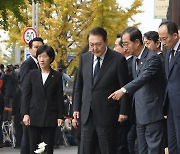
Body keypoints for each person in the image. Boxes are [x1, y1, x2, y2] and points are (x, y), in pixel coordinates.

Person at [109, 27, 166, 154]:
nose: (124, 48)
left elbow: (142, 79)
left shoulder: (153, 58)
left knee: (154, 149)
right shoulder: (135, 59)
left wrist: (123, 90)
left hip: (152, 113)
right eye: (123, 44)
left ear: (137, 42)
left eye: (126, 44)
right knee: (141, 150)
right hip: (139, 114)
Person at [73, 27, 129, 154]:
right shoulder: (85, 58)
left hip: (107, 114)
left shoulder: (118, 59)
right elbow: (79, 86)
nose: (94, 48)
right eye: (91, 45)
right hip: (87, 114)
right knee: (86, 150)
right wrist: (76, 108)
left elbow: (124, 87)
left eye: (98, 44)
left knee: (107, 149)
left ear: (106, 42)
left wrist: (123, 111)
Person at [21, 45, 64, 154]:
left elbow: (59, 97)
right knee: (34, 148)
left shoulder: (57, 76)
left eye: (44, 56)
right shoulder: (32, 74)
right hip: (34, 115)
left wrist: (60, 116)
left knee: (47, 148)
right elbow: (26, 95)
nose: (41, 59)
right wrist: (25, 113)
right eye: (39, 56)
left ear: (51, 58)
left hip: (50, 115)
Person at [158, 20, 180, 154]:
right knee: (172, 143)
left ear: (175, 36)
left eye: (165, 38)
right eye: (160, 39)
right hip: (171, 105)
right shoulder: (168, 54)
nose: (163, 43)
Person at [19, 37, 44, 154]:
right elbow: (25, 89)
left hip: (41, 110)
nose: (39, 50)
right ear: (30, 50)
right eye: (36, 47)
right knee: (28, 140)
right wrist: (25, 112)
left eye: (41, 47)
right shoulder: (27, 65)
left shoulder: (42, 66)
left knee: (37, 142)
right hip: (30, 109)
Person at [114, 33, 133, 154]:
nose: (114, 49)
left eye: (116, 45)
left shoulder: (129, 65)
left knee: (123, 144)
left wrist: (123, 111)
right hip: (119, 111)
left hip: (127, 111)